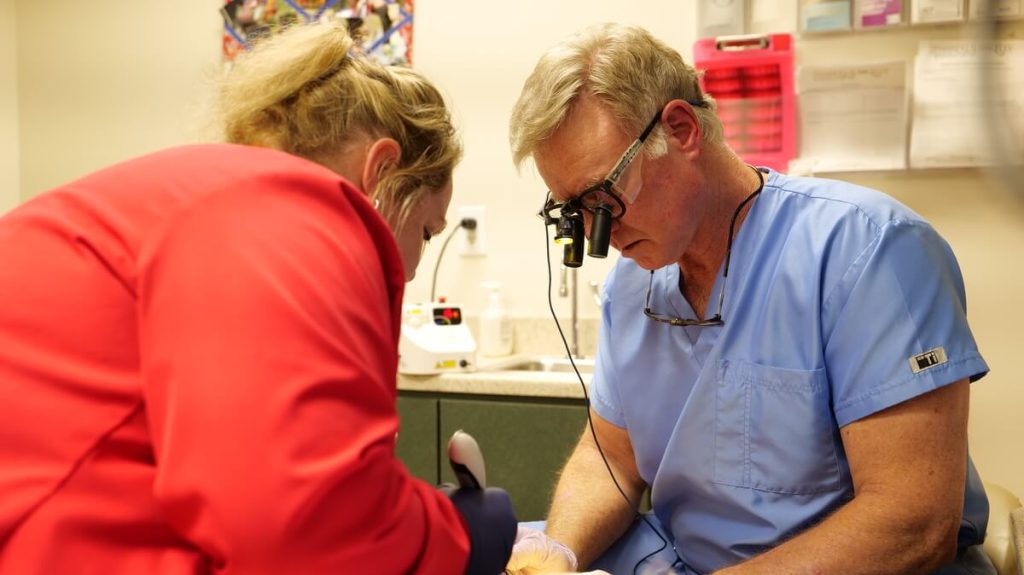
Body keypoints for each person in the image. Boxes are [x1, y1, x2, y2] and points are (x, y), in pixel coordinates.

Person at [0, 22, 516, 575]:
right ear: (382, 170)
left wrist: (397, 506)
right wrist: (454, 537)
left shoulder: (205, 200)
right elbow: (300, 530)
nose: (412, 269)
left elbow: (237, 484)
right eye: (426, 231)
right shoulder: (293, 215)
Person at [506, 23, 993, 575]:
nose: (599, 235)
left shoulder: (868, 250)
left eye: (603, 197)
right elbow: (611, 457)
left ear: (683, 129)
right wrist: (560, 551)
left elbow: (911, 522)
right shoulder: (633, 283)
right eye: (573, 213)